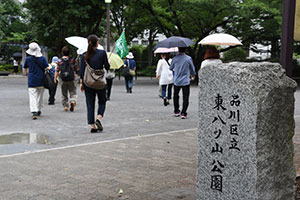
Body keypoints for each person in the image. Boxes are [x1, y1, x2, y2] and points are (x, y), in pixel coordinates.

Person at [80, 34, 110, 133]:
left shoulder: (84, 55)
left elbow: (81, 71)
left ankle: (92, 126)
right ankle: (99, 118)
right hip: (100, 82)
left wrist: (81, 83)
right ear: (97, 42)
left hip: (88, 82)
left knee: (90, 103)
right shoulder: (102, 53)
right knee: (102, 101)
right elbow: (107, 67)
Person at [23, 42, 48, 120]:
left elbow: (25, 68)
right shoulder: (43, 58)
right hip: (41, 80)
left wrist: (27, 72)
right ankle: (38, 109)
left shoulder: (28, 59)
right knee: (40, 96)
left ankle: (34, 111)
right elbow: (47, 68)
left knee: (32, 96)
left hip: (32, 80)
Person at [169, 47, 196, 119]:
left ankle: (176, 111)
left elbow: (171, 68)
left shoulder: (174, 59)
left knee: (175, 96)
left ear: (178, 49)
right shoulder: (188, 58)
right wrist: (193, 74)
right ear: (185, 50)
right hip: (185, 80)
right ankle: (183, 112)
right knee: (185, 97)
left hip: (177, 80)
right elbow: (192, 69)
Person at [54, 46, 77, 112]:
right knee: (73, 92)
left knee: (64, 93)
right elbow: (77, 69)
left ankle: (65, 106)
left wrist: (55, 78)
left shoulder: (60, 61)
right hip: (71, 79)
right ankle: (72, 101)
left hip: (63, 79)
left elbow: (57, 70)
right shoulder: (72, 60)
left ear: (62, 53)